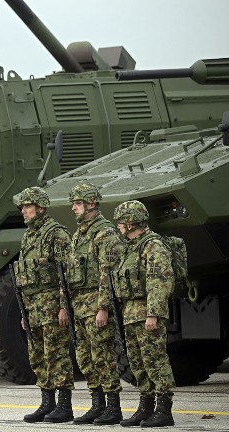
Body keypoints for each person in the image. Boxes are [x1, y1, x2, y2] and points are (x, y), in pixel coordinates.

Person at [12, 186, 74, 423]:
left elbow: (66, 272)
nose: (24, 211)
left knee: (56, 354)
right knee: (37, 355)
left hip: (50, 306)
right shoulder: (29, 235)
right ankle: (47, 402)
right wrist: (25, 312)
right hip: (33, 307)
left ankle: (64, 405)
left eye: (28, 207)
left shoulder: (56, 234)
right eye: (23, 207)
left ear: (41, 208)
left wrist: (63, 307)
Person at [112, 200, 176, 428]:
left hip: (146, 314)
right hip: (130, 314)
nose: (118, 225)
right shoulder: (131, 247)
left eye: (121, 221)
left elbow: (159, 281)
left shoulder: (153, 245)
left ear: (130, 223)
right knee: (138, 363)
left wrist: (153, 314)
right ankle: (146, 406)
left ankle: (164, 409)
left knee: (155, 361)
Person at [65, 183, 124, 425]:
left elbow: (107, 273)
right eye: (73, 203)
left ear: (91, 204)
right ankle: (97, 404)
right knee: (85, 358)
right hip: (79, 305)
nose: (73, 208)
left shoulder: (105, 233)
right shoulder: (79, 234)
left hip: (95, 306)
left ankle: (113, 407)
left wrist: (103, 307)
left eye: (77, 203)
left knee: (103, 355)